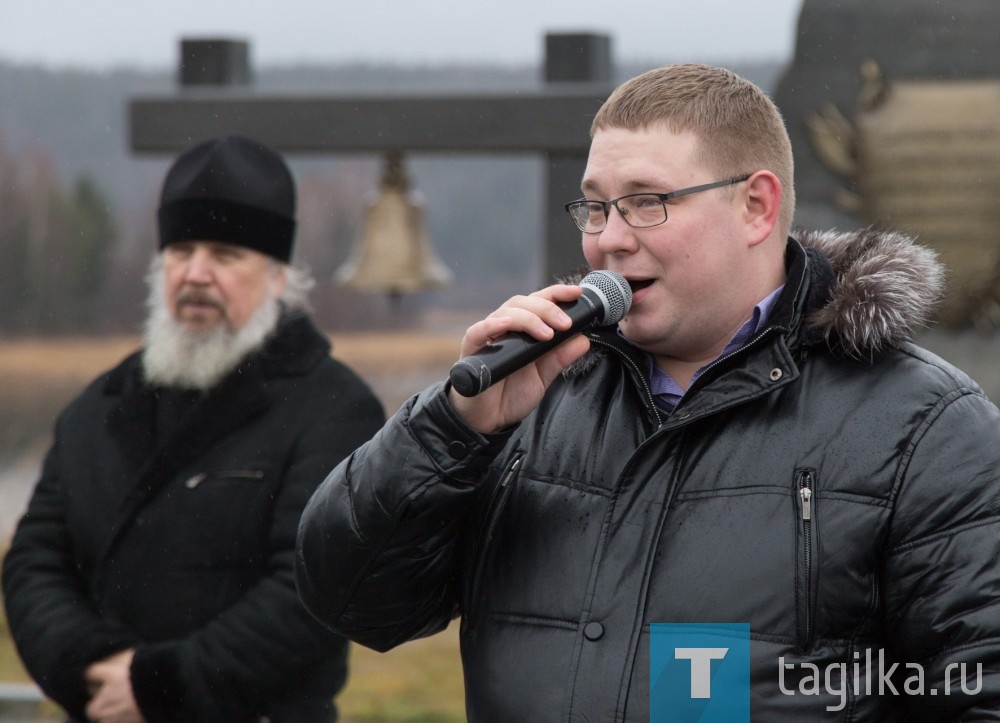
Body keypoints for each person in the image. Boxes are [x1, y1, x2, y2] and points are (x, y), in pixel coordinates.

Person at [294, 64, 1000, 720]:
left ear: (756, 206)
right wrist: (452, 427)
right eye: (596, 208)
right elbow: (355, 601)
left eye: (647, 203)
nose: (609, 240)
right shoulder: (526, 397)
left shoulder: (927, 426)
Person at [2, 134, 385, 723]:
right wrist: (90, 667)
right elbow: (35, 559)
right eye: (181, 252)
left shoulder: (334, 408)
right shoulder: (97, 407)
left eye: (226, 254)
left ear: (279, 277)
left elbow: (312, 588)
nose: (196, 274)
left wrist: (160, 686)